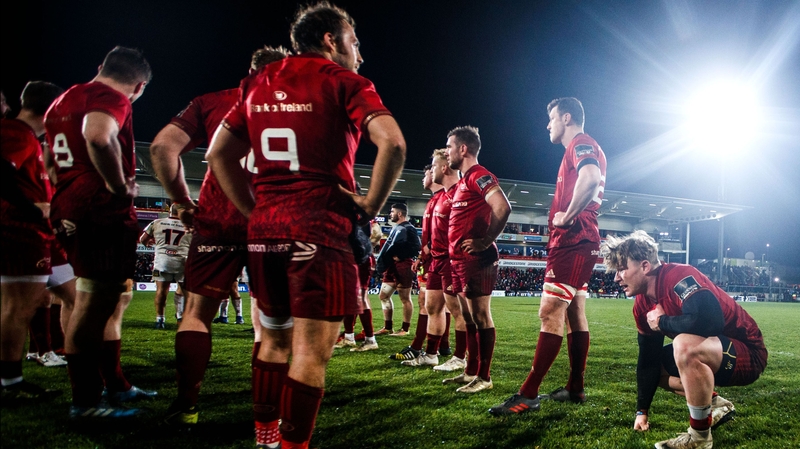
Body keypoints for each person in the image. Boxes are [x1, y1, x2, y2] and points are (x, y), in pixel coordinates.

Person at [206, 3, 406, 447]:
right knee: (311, 353)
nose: (359, 53)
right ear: (331, 40)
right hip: (319, 227)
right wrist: (370, 204)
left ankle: (264, 437)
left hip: (265, 230)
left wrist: (250, 210)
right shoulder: (345, 81)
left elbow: (217, 153)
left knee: (273, 341)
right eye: (354, 42)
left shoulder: (258, 82)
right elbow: (393, 142)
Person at [149, 46, 288, 426]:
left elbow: (162, 147)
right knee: (268, 323)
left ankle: (186, 404)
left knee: (196, 314)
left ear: (250, 69)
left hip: (217, 217)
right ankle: (267, 416)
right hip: (271, 223)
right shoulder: (299, 109)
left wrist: (180, 201)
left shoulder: (214, 102)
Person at [45, 46, 152, 419]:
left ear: (100, 67)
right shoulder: (111, 97)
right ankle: (87, 402)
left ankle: (115, 385)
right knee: (94, 307)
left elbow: (49, 160)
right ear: (138, 86)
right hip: (99, 210)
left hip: (70, 205)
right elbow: (97, 135)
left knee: (93, 302)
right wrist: (119, 186)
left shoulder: (62, 100)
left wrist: (67, 195)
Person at [490, 97, 606, 414]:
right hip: (580, 239)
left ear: (566, 118)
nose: (548, 124)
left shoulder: (581, 143)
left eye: (552, 118)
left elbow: (591, 177)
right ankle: (575, 387)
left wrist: (567, 216)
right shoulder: (583, 146)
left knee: (550, 311)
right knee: (573, 311)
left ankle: (528, 393)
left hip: (573, 238)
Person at [601, 231, 766, 449]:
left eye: (622, 269)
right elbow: (647, 361)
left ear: (644, 266)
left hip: (747, 353)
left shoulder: (678, 278)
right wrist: (642, 411)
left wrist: (663, 323)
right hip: (715, 350)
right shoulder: (641, 304)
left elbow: (709, 321)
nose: (616, 277)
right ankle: (716, 404)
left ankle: (699, 437)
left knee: (684, 346)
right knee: (655, 369)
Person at [1, 81, 64, 400]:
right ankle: (10, 383)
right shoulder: (16, 133)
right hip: (20, 232)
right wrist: (30, 210)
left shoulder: (26, 136)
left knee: (32, 303)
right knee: (17, 308)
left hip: (29, 232)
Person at [442, 126, 511, 394]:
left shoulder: (479, 176)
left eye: (449, 146)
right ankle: (470, 370)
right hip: (459, 260)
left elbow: (502, 207)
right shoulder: (463, 181)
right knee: (469, 319)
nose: (447, 151)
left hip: (477, 260)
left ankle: (484, 376)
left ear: (463, 148)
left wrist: (485, 240)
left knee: (481, 317)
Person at [403, 149, 465, 370]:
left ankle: (460, 357)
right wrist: (423, 256)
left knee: (457, 310)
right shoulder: (438, 199)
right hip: (436, 261)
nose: (429, 170)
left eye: (433, 166)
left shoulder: (459, 193)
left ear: (444, 167)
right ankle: (431, 354)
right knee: (431, 306)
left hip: (451, 261)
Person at [390, 166, 441, 361]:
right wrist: (422, 256)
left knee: (440, 306)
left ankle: (435, 350)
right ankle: (427, 346)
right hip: (430, 260)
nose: (424, 176)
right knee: (429, 304)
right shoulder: (433, 201)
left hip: (440, 260)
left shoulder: (445, 197)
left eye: (428, 171)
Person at [139, 203, 190, 328]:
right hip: (183, 262)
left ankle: (160, 319)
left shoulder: (156, 222)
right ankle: (181, 317)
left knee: (161, 291)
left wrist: (148, 243)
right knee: (184, 291)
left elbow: (143, 239)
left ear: (170, 212)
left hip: (162, 261)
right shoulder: (189, 226)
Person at [375, 203, 421, 336]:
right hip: (392, 266)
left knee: (404, 298)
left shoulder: (409, 228)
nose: (390, 214)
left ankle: (405, 329)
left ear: (399, 214)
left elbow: (416, 246)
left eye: (392, 211)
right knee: (383, 295)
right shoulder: (398, 228)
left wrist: (401, 256)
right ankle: (387, 327)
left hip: (404, 265)